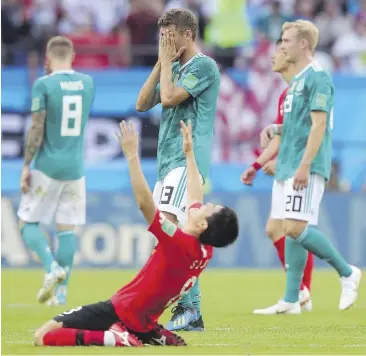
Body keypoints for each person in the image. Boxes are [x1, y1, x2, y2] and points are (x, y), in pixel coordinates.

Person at [33, 120, 239, 347]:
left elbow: (145, 203)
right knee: (140, 321)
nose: (206, 204)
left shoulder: (178, 242)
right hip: (143, 317)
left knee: (43, 336)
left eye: (210, 208)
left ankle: (113, 337)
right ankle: (148, 332)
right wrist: (189, 154)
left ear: (203, 226)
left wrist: (132, 156)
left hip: (122, 310)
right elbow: (195, 194)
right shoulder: (204, 250)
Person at [257, 20, 361, 314]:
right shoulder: (297, 82)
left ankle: (347, 272)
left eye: (287, 40)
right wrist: (276, 129)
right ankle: (292, 299)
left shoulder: (318, 77)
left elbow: (318, 126)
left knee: (295, 226)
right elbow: (297, 125)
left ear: (303, 44)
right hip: (289, 162)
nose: (282, 45)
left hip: (306, 163)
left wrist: (304, 166)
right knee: (289, 227)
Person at [136, 8, 220, 331]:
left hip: (188, 159)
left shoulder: (204, 67)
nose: (164, 42)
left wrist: (167, 64)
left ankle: (189, 310)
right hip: (167, 161)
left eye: (169, 36)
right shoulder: (173, 67)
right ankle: (183, 310)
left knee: (171, 231)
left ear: (187, 34)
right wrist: (161, 62)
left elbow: (168, 98)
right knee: (167, 235)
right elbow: (143, 103)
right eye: (161, 37)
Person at [17, 36, 95, 306]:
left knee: (27, 223)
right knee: (67, 230)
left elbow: (37, 128)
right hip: (75, 168)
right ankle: (61, 294)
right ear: (72, 56)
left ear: (47, 59)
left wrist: (26, 164)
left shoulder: (43, 84)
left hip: (47, 166)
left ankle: (52, 268)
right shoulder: (88, 83)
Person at [241, 38, 314, 314]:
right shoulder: (286, 94)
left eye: (279, 52)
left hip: (299, 169)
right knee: (277, 229)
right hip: (287, 166)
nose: (272, 58)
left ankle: (306, 290)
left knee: (296, 230)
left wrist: (283, 162)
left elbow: (307, 134)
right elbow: (282, 136)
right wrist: (258, 165)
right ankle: (300, 293)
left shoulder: (304, 90)